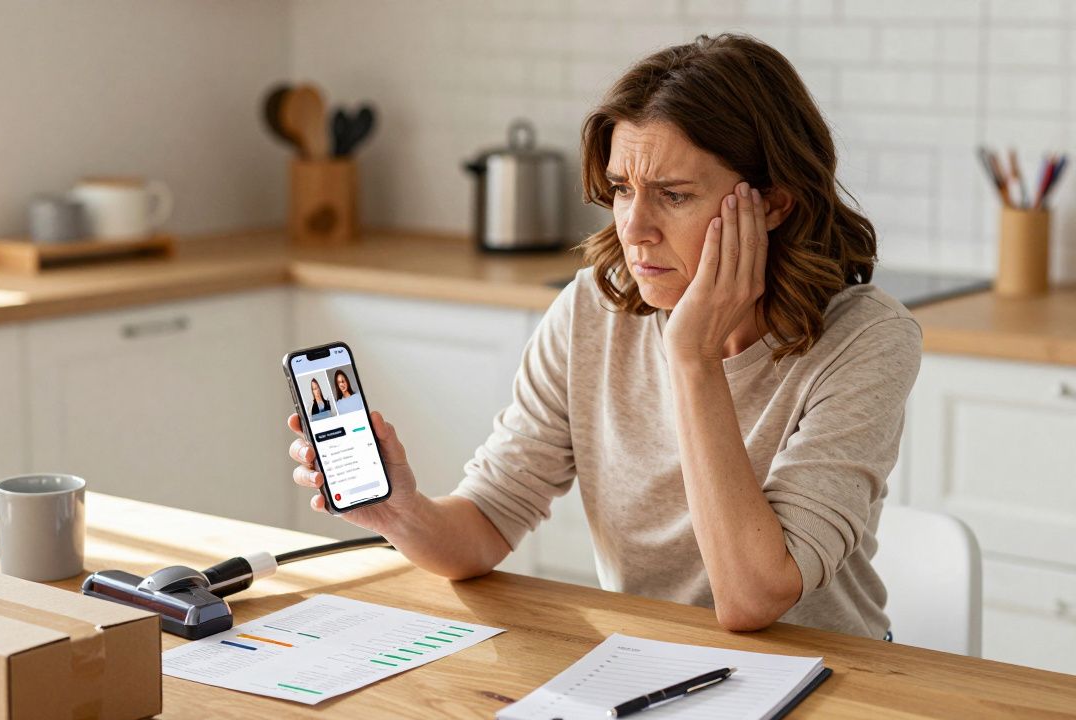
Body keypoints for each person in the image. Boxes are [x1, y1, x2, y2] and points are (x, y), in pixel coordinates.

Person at [285, 33, 920, 639]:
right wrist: (401, 511)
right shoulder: (591, 310)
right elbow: (484, 525)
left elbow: (753, 598)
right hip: (644, 666)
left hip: (832, 680)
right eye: (621, 189)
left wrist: (693, 359)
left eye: (672, 194)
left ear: (773, 204)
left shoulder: (865, 340)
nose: (634, 227)